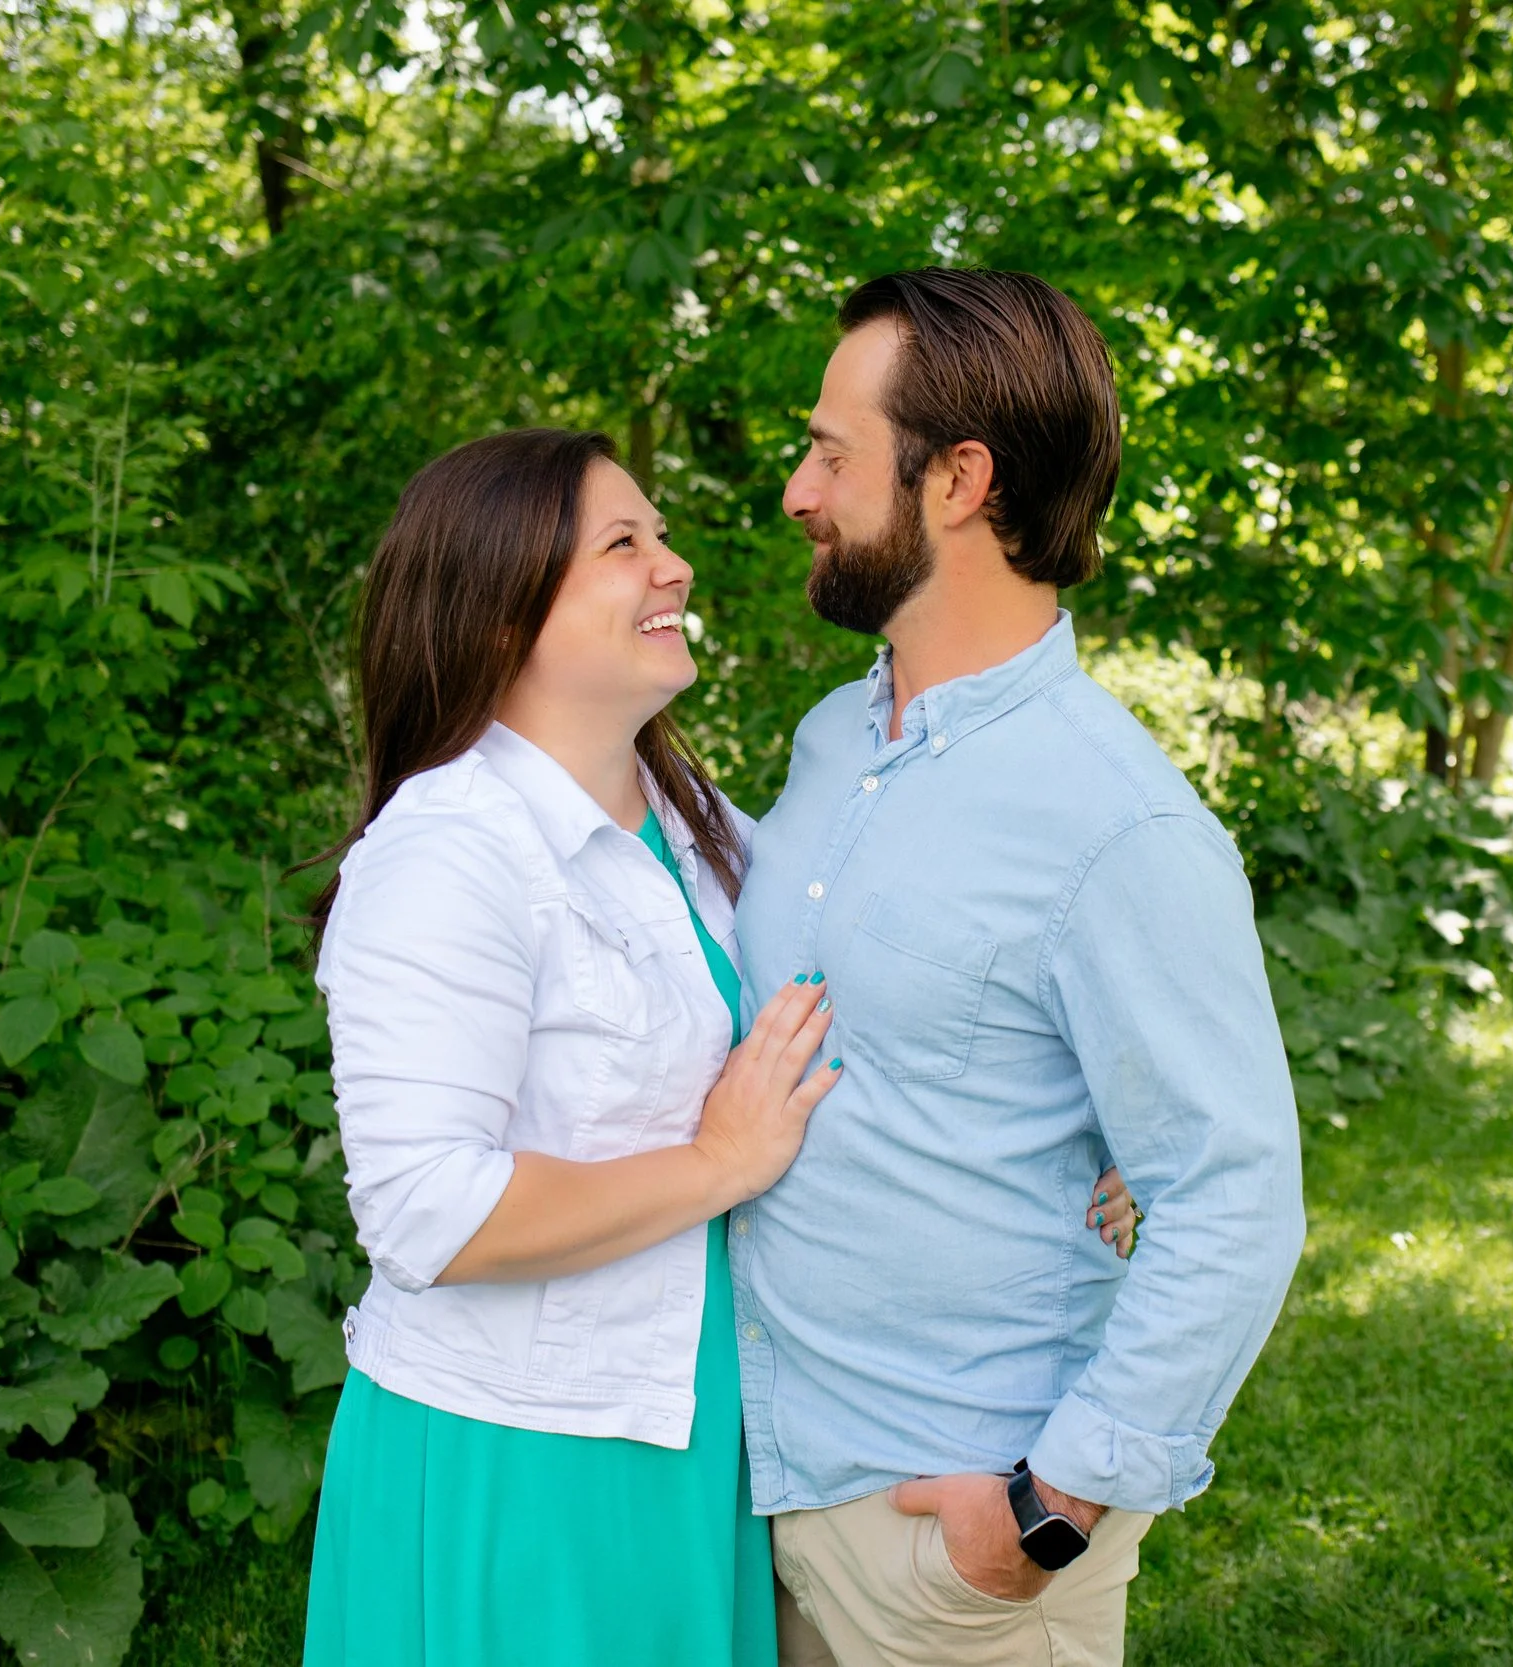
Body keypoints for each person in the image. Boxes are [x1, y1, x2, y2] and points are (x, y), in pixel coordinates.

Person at [297, 425, 1135, 1667]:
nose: (673, 564)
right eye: (621, 543)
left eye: (662, 533)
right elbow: (426, 1211)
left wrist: (1085, 1127)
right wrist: (713, 1166)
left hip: (698, 1428)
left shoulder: (699, 826)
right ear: (501, 608)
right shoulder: (448, 851)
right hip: (525, 1450)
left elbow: (893, 979)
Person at [731, 269, 1307, 1667]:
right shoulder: (832, 739)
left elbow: (1232, 1191)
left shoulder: (1118, 822)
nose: (800, 493)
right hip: (773, 1487)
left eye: (831, 454)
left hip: (956, 1539)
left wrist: (1049, 1509)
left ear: (958, 480)